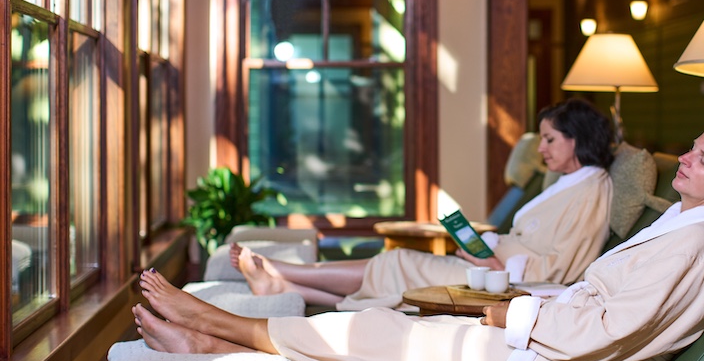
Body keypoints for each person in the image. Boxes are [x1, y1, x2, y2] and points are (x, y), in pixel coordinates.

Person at [132, 119, 704, 361]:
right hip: (550, 334)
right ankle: (219, 346)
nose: (687, 161)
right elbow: (598, 299)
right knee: (400, 325)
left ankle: (219, 324)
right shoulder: (682, 223)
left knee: (383, 330)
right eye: (692, 150)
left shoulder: (698, 245)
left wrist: (513, 313)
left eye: (703, 159)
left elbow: (609, 328)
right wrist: (523, 302)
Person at [231, 98, 615, 310]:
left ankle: (284, 272)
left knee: (396, 262)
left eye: (549, 140)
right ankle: (281, 285)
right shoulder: (566, 182)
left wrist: (495, 262)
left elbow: (564, 267)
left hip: (504, 284)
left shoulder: (592, 189)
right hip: (489, 270)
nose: (542, 150)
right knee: (395, 266)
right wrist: (485, 248)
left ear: (576, 139)